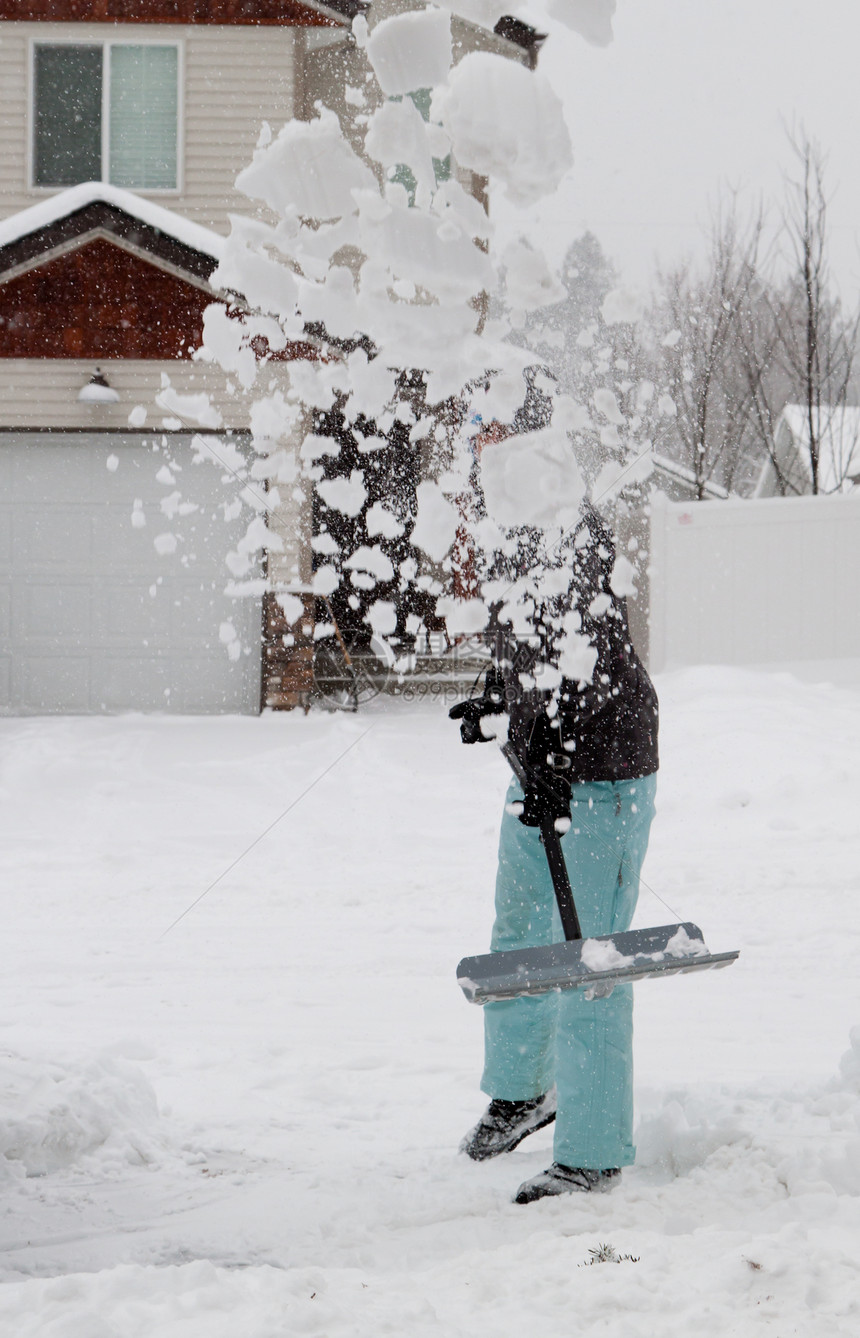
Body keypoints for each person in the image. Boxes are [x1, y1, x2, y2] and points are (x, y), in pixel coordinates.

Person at [449, 500, 658, 1204]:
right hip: (539, 774)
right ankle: (522, 1093)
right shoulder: (507, 529)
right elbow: (529, 645)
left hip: (600, 777)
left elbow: (594, 659)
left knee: (588, 955)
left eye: (490, 430)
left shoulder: (575, 525)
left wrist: (558, 751)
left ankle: (594, 1151)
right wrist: (495, 698)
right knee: (517, 931)